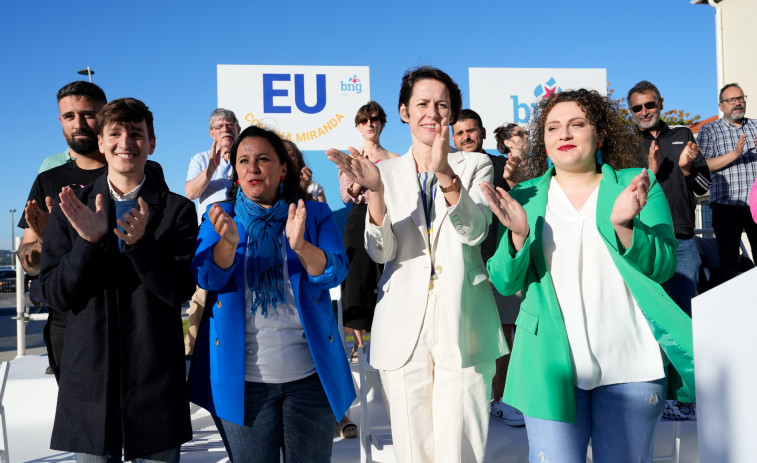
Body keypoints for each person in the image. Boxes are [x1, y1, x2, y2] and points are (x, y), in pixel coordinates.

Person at [483, 89, 696, 462]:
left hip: (631, 364)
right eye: (553, 128)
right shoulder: (527, 195)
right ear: (544, 141)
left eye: (576, 125)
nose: (564, 134)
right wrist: (517, 235)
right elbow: (505, 282)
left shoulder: (637, 183)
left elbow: (663, 266)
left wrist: (624, 225)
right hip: (549, 367)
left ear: (599, 137)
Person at [327, 66, 507, 463]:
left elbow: (475, 231)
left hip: (465, 318)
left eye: (442, 105)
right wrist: (375, 193)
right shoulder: (384, 172)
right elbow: (381, 252)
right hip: (402, 323)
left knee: (461, 443)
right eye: (422, 103)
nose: (432, 113)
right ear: (405, 112)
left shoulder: (474, 165)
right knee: (412, 448)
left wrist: (445, 171)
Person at [39, 98, 197, 461]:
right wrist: (88, 244)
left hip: (154, 378)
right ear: (100, 143)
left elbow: (179, 291)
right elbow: (54, 294)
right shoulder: (72, 209)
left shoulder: (178, 211)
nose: (125, 142)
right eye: (115, 133)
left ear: (152, 144)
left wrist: (142, 246)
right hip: (90, 380)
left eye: (136, 134)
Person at [188, 126, 355, 462]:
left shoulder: (313, 214)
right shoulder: (220, 216)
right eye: (244, 160)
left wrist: (301, 246)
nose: (253, 167)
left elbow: (335, 271)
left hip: (310, 380)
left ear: (282, 169)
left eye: (263, 159)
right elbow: (206, 275)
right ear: (235, 171)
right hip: (243, 383)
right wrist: (227, 247)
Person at [452, 110, 525, 427]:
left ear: (481, 133)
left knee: (505, 333)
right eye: (460, 133)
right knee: (462, 333)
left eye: (471, 131)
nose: (466, 136)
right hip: (460, 266)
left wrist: (513, 179)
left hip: (497, 261)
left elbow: (518, 197)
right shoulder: (446, 169)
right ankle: (466, 401)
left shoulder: (498, 166)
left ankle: (502, 399)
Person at [627, 80, 711, 316]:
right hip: (644, 239)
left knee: (686, 313)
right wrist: (650, 173)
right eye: (637, 108)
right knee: (651, 316)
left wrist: (687, 170)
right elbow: (620, 194)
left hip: (682, 239)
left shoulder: (682, 134)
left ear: (661, 103)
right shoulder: (625, 144)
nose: (644, 111)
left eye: (650, 104)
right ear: (631, 111)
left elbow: (704, 185)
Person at [337, 101, 399, 362]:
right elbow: (345, 197)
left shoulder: (396, 159)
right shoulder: (350, 160)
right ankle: (358, 345)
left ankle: (390, 335)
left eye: (374, 119)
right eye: (364, 120)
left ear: (382, 123)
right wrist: (359, 176)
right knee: (357, 277)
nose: (370, 124)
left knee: (387, 274)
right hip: (358, 216)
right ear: (358, 126)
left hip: (387, 216)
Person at [183, 108, 241, 357]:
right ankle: (192, 348)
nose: (225, 129)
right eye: (219, 126)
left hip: (242, 222)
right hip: (212, 223)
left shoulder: (246, 155)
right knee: (204, 287)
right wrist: (211, 168)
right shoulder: (199, 158)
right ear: (211, 133)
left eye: (229, 124)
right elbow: (190, 193)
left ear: (237, 129)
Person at [697, 83, 757, 280]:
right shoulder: (710, 130)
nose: (737, 103)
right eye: (731, 100)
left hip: (755, 205)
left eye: (740, 98)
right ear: (721, 106)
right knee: (728, 263)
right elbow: (704, 165)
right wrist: (736, 154)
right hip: (726, 205)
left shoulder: (756, 126)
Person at [494, 123, 528, 188]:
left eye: (526, 133)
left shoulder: (537, 163)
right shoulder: (502, 168)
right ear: (508, 143)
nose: (526, 136)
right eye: (520, 134)